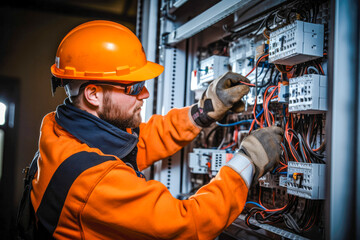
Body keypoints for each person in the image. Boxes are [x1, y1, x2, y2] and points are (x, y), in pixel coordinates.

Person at [30, 20, 283, 239]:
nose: (145, 93)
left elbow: (139, 143)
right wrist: (247, 162)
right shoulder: (92, 182)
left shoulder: (59, 127)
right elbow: (188, 225)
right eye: (134, 86)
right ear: (93, 94)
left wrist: (203, 111)